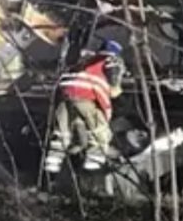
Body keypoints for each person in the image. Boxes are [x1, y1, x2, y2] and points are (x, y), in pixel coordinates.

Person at [44, 38, 126, 173]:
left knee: (62, 132)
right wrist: (115, 90)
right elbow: (113, 82)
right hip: (86, 96)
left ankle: (53, 161)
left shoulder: (84, 58)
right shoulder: (110, 60)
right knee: (99, 129)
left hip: (66, 95)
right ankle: (94, 158)